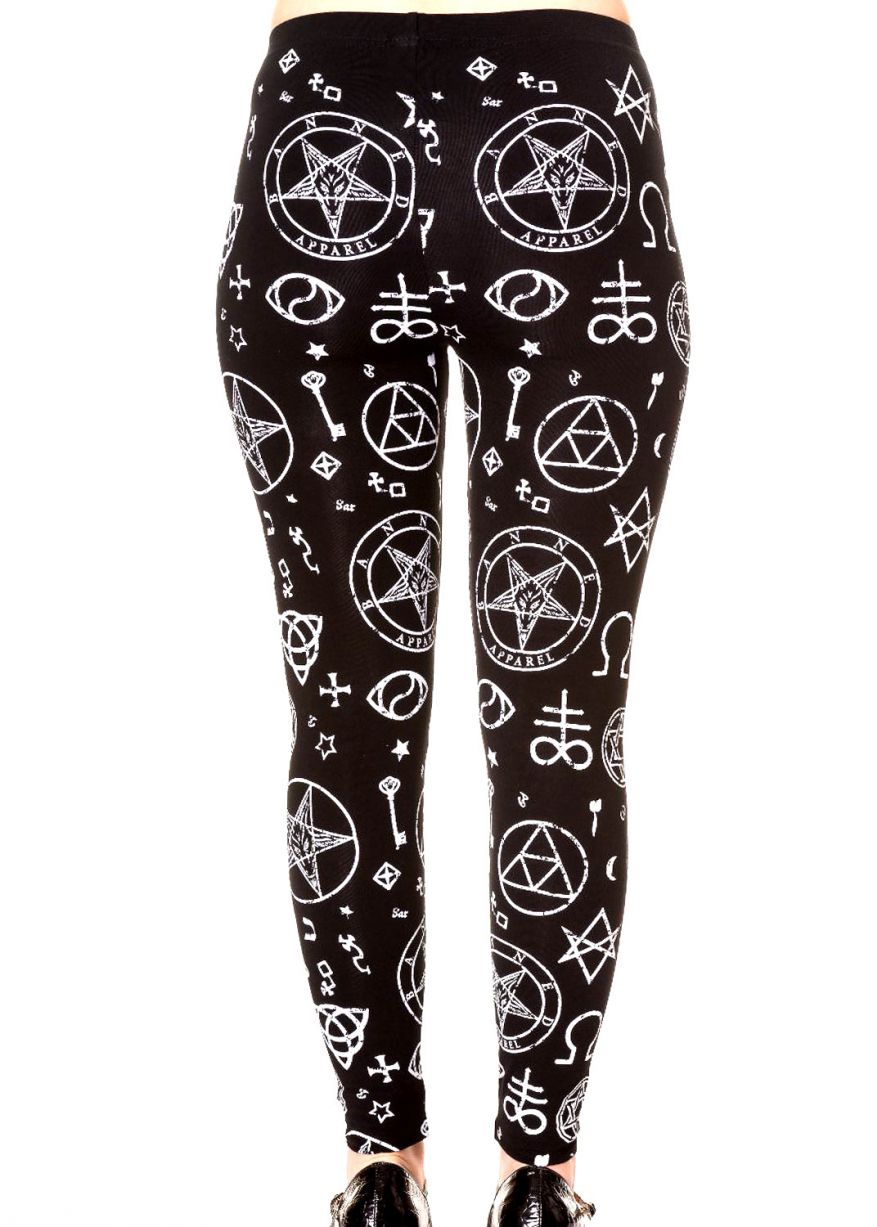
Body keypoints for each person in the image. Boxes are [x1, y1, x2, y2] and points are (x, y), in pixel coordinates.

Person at [215, 0, 690, 1221]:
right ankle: (539, 1170)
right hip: (567, 130)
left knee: (344, 712)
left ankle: (381, 1164)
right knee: (561, 714)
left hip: (322, 136)